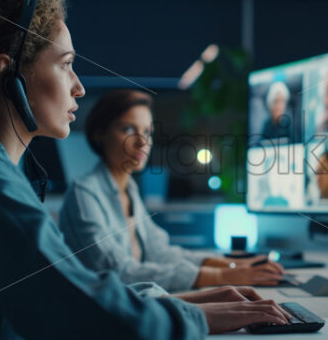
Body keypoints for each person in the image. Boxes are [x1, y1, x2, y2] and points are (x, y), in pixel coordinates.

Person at [0, 0, 290, 339]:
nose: (79, 87)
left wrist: (190, 303)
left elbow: (69, 296)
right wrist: (200, 317)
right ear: (8, 74)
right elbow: (77, 315)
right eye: (65, 65)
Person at [59, 89, 285, 293]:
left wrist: (234, 264)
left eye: (147, 131)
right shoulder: (84, 194)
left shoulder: (129, 189)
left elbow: (161, 252)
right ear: (100, 133)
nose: (141, 142)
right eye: (128, 129)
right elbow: (120, 273)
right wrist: (224, 275)